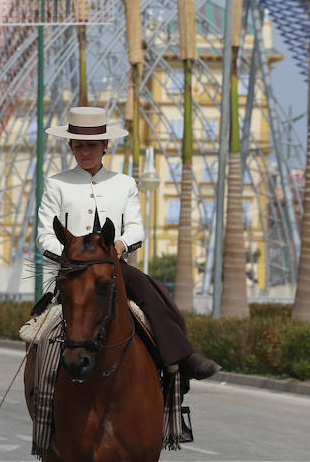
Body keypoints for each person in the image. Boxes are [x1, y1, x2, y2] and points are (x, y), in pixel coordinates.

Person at [38, 106, 220, 381]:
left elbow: (136, 227)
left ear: (105, 145)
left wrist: (120, 245)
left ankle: (182, 359)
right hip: (72, 271)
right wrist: (71, 255)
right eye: (78, 146)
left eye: (91, 146)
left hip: (112, 265)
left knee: (152, 289)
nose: (85, 152)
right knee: (41, 333)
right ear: (70, 146)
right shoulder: (56, 184)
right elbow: (44, 236)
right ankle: (42, 393)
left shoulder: (124, 184)